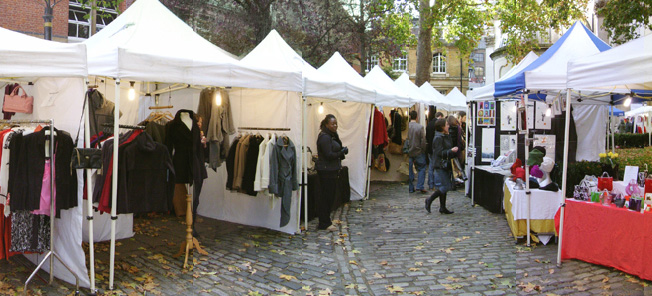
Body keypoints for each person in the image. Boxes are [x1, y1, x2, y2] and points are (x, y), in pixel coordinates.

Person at [315, 114, 348, 231]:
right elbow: (328, 155)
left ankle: (326, 220)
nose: (335, 126)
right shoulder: (324, 137)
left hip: (332, 170)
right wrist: (341, 152)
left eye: (336, 124)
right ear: (326, 124)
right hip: (326, 171)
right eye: (332, 124)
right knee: (326, 196)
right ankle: (324, 223)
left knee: (330, 196)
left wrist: (342, 150)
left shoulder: (332, 136)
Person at [425, 118, 457, 214]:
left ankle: (442, 207)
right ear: (442, 127)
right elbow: (438, 153)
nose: (448, 126)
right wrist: (450, 151)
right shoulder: (438, 138)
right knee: (446, 186)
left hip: (445, 164)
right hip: (440, 165)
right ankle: (429, 199)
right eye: (446, 124)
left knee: (444, 186)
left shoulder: (445, 136)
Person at [407, 110, 427, 194]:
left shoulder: (408, 126)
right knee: (422, 168)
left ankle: (411, 188)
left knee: (410, 170)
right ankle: (420, 185)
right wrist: (423, 150)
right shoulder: (420, 127)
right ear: (417, 117)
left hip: (409, 151)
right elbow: (423, 140)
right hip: (418, 151)